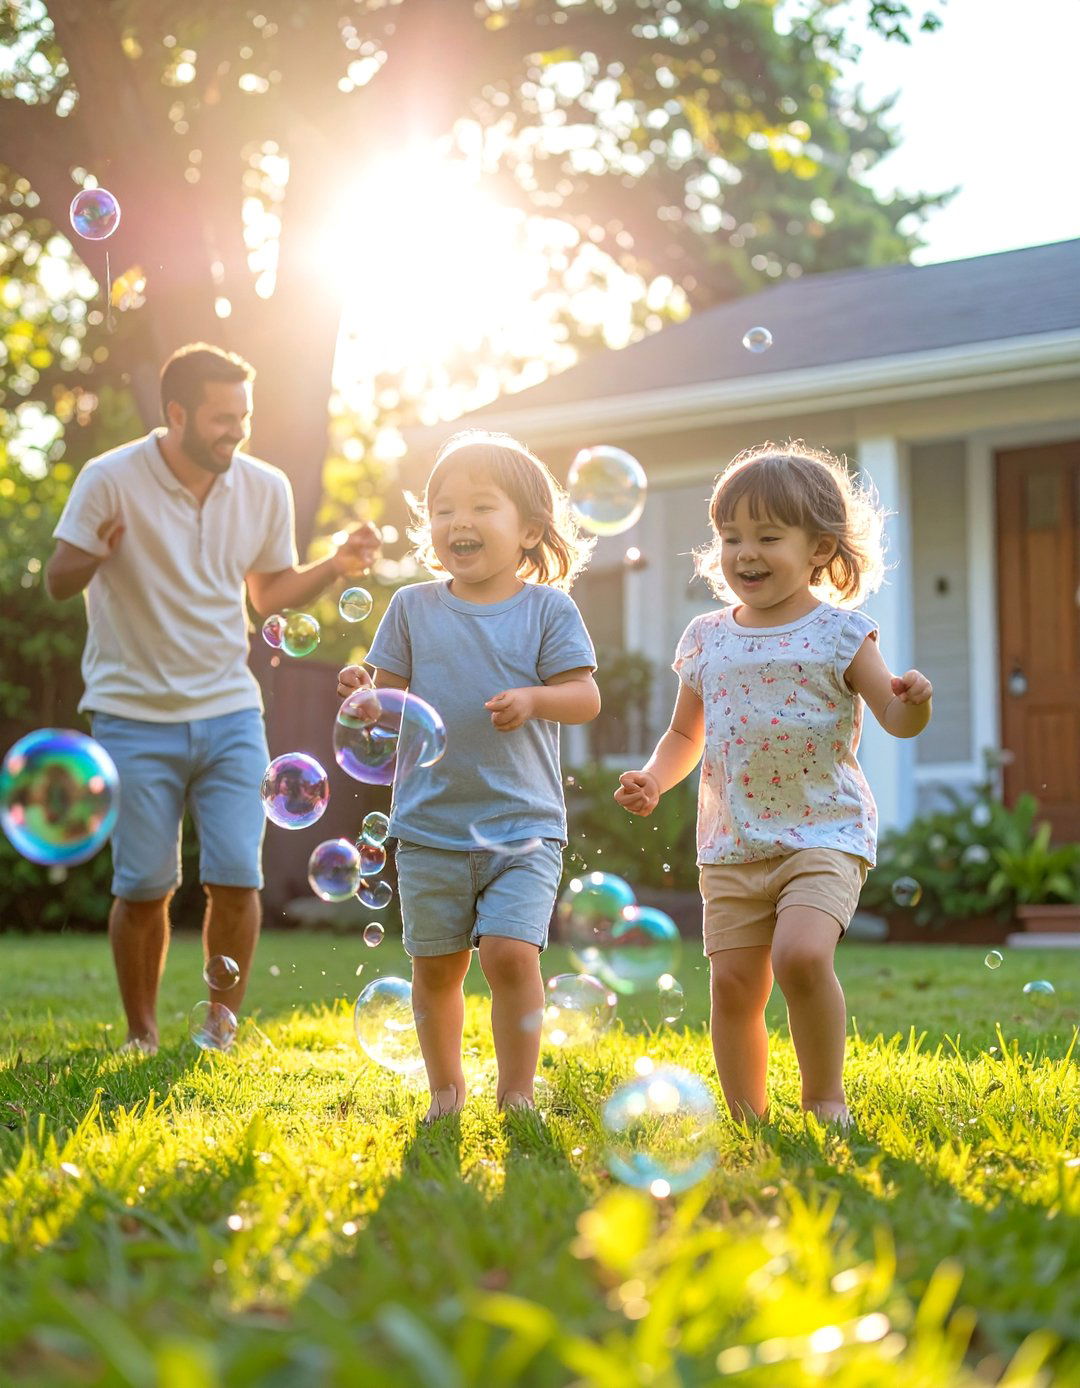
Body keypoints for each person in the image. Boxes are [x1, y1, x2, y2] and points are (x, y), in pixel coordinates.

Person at [45, 343, 379, 1054]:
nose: (237, 431)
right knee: (143, 887)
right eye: (223, 418)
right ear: (177, 414)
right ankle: (141, 1033)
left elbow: (268, 595)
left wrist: (335, 565)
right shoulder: (110, 478)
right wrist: (94, 553)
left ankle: (219, 1028)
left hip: (231, 708)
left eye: (244, 417)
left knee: (236, 876)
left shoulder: (264, 487)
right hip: (132, 712)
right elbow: (56, 579)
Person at [615, 442, 932, 1128]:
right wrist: (653, 777)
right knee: (733, 985)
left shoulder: (842, 634)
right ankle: (746, 1119)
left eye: (767, 536)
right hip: (731, 843)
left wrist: (915, 700)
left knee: (802, 955)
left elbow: (897, 720)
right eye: (731, 537)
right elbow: (683, 737)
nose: (744, 552)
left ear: (820, 548)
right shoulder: (706, 638)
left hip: (824, 833)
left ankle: (824, 1097)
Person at [337, 429, 599, 1122]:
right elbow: (384, 705)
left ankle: (517, 1092)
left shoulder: (549, 610)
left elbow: (585, 697)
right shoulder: (411, 609)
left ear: (530, 529)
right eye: (445, 507)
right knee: (437, 968)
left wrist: (535, 699)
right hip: (429, 828)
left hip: (523, 826)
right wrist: (362, 694)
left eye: (483, 506)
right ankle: (446, 1092)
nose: (460, 521)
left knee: (512, 955)